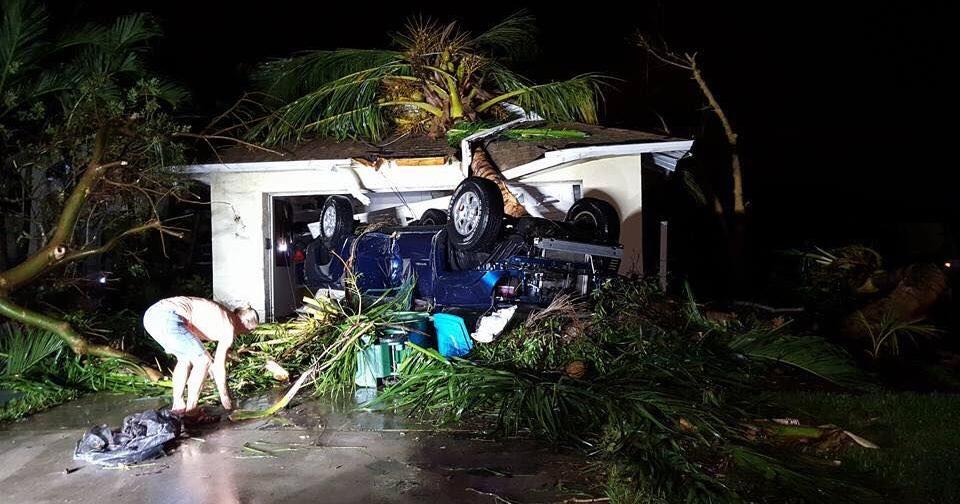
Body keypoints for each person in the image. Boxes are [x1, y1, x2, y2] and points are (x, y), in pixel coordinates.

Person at [142, 297, 259, 417]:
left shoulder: (223, 315)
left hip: (151, 316)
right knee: (204, 361)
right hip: (167, 316)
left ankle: (178, 406)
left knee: (184, 359)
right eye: (249, 331)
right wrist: (226, 399)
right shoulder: (229, 327)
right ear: (245, 323)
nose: (246, 334)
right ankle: (191, 412)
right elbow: (218, 366)